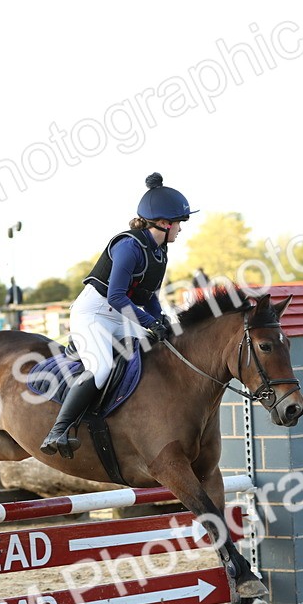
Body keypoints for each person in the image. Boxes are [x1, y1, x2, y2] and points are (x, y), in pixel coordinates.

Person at [41, 172, 194, 458]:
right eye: (179, 224)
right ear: (163, 223)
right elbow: (115, 296)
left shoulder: (159, 252)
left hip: (121, 313)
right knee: (101, 368)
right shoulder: (129, 247)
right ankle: (58, 430)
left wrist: (161, 321)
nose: (181, 230)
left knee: (157, 351)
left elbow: (148, 296)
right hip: (95, 313)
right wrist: (148, 322)